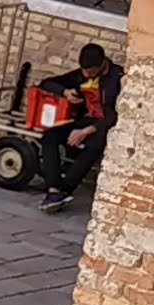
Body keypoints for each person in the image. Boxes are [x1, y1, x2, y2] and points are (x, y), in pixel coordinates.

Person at [45, 43, 118, 214]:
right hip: (84, 120)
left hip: (104, 126)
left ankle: (66, 189)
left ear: (102, 65)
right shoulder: (82, 75)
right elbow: (48, 83)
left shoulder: (117, 78)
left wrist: (87, 131)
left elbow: (114, 116)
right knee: (50, 136)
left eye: (91, 72)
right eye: (84, 71)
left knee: (96, 144)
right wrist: (65, 92)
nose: (86, 75)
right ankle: (53, 189)